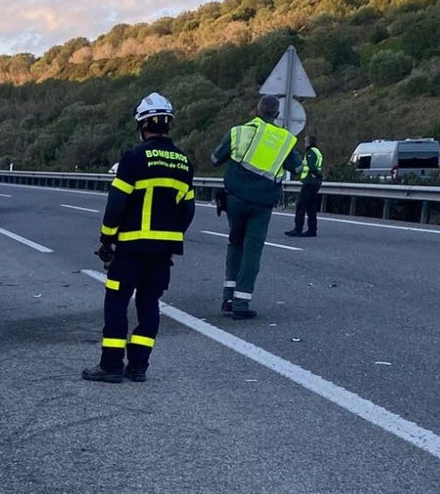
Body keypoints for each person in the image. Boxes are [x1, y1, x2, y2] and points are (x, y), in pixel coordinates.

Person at [83, 93, 195, 383]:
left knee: (117, 301)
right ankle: (139, 367)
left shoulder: (133, 158)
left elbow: (117, 203)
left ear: (143, 126)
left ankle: (110, 366)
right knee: (149, 304)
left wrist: (106, 239)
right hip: (162, 252)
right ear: (168, 124)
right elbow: (188, 209)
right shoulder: (183, 162)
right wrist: (172, 240)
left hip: (131, 248)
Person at [211, 95, 303, 319]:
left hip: (234, 199)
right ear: (277, 115)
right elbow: (298, 168)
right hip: (261, 204)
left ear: (256, 110)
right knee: (252, 250)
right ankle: (241, 305)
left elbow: (215, 158)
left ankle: (229, 298)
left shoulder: (238, 132)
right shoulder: (284, 139)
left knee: (235, 244)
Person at [285, 135, 323, 237]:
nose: (304, 144)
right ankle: (312, 229)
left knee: (301, 205)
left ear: (309, 143)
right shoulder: (317, 152)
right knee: (311, 207)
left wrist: (318, 176)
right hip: (314, 183)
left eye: (305, 142)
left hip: (310, 182)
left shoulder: (311, 153)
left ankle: (298, 229)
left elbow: (311, 166)